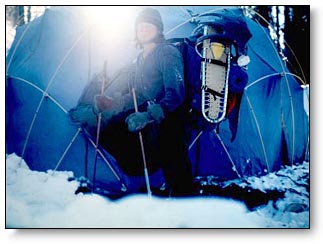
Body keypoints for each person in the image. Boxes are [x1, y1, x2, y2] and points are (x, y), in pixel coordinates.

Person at [71, 8, 193, 196]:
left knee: (175, 166)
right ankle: (155, 184)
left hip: (171, 121)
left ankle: (186, 206)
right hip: (155, 123)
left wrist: (147, 116)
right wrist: (111, 104)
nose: (143, 29)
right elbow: (139, 94)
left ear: (158, 29)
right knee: (114, 132)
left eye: (149, 25)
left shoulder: (167, 52)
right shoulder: (141, 59)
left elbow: (176, 94)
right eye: (140, 26)